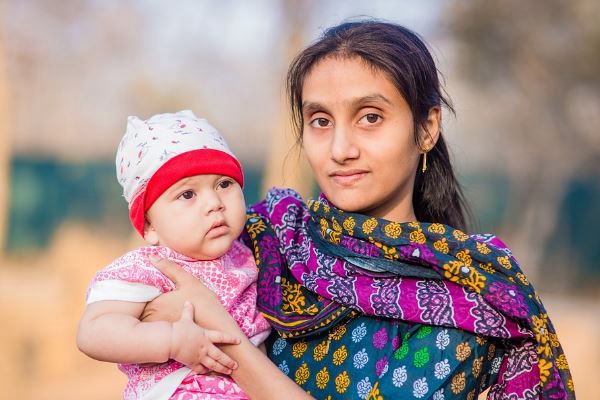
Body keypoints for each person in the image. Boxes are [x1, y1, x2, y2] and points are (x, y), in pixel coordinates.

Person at [142, 21, 575, 399]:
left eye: (370, 117)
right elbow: (139, 299)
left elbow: (190, 308)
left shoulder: (466, 297)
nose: (340, 149)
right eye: (320, 121)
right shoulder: (263, 237)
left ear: (426, 128)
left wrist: (224, 337)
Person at [76, 110, 274, 399]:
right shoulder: (151, 267)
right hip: (182, 389)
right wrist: (170, 340)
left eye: (224, 184)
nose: (214, 203)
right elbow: (93, 331)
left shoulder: (249, 251)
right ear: (149, 226)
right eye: (187, 195)